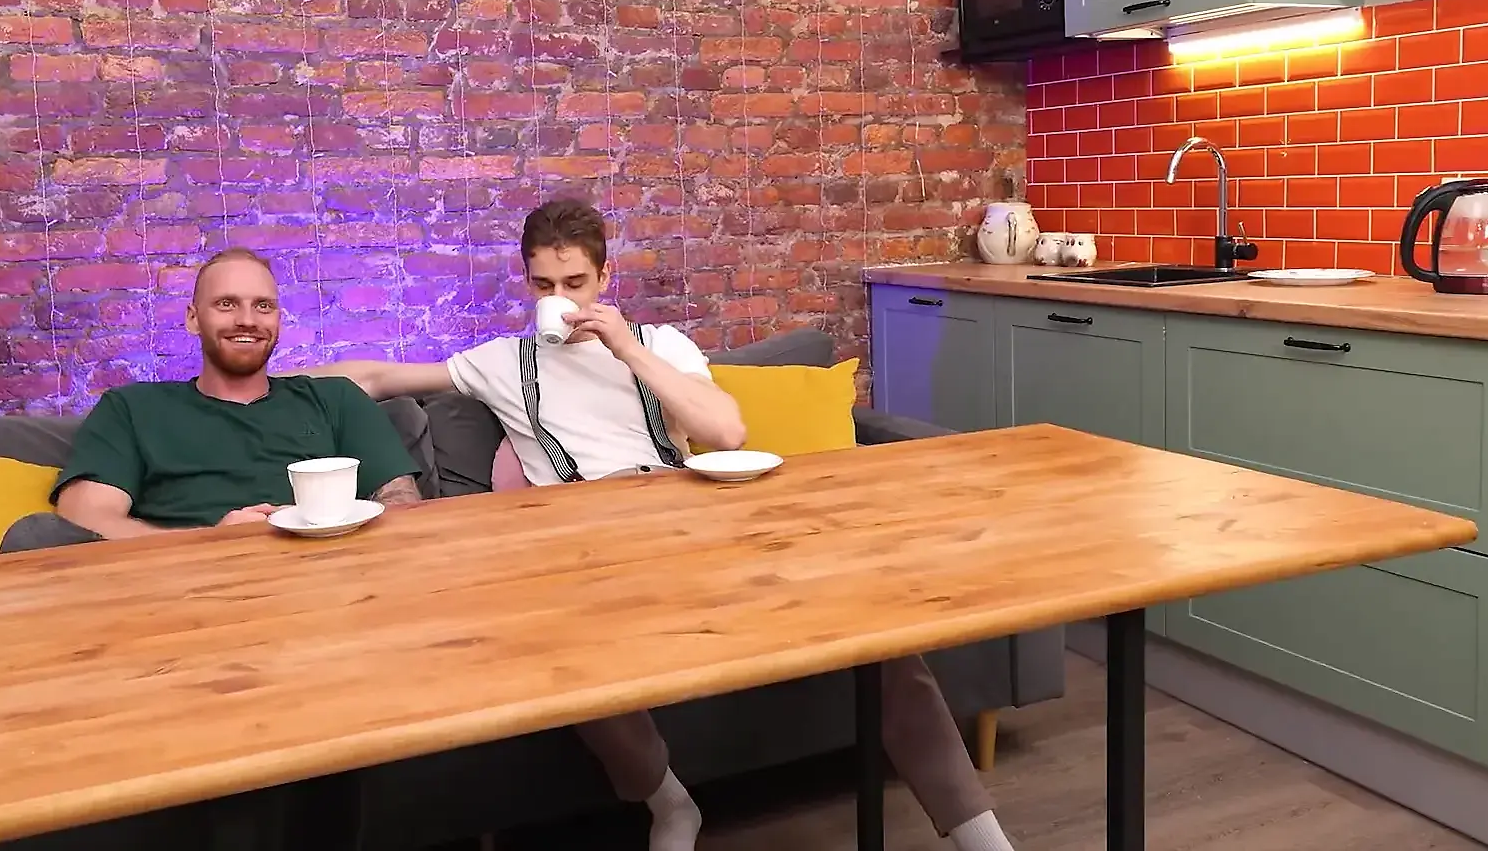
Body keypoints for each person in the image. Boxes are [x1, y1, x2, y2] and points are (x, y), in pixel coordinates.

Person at [306, 198, 1022, 851]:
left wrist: (626, 348)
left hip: (692, 523)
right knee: (563, 653)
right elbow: (378, 378)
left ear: (604, 277)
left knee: (876, 630)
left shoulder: (660, 345)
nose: (560, 301)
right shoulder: (502, 363)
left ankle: (980, 834)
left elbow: (727, 431)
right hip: (586, 549)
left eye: (576, 283)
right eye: (544, 286)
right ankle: (671, 804)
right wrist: (271, 380)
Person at [2, 246, 421, 552]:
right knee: (35, 537)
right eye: (226, 304)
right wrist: (213, 542)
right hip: (179, 579)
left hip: (320, 570)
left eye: (263, 306)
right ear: (193, 319)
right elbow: (86, 516)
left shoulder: (336, 398)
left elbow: (402, 505)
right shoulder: (133, 408)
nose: (247, 320)